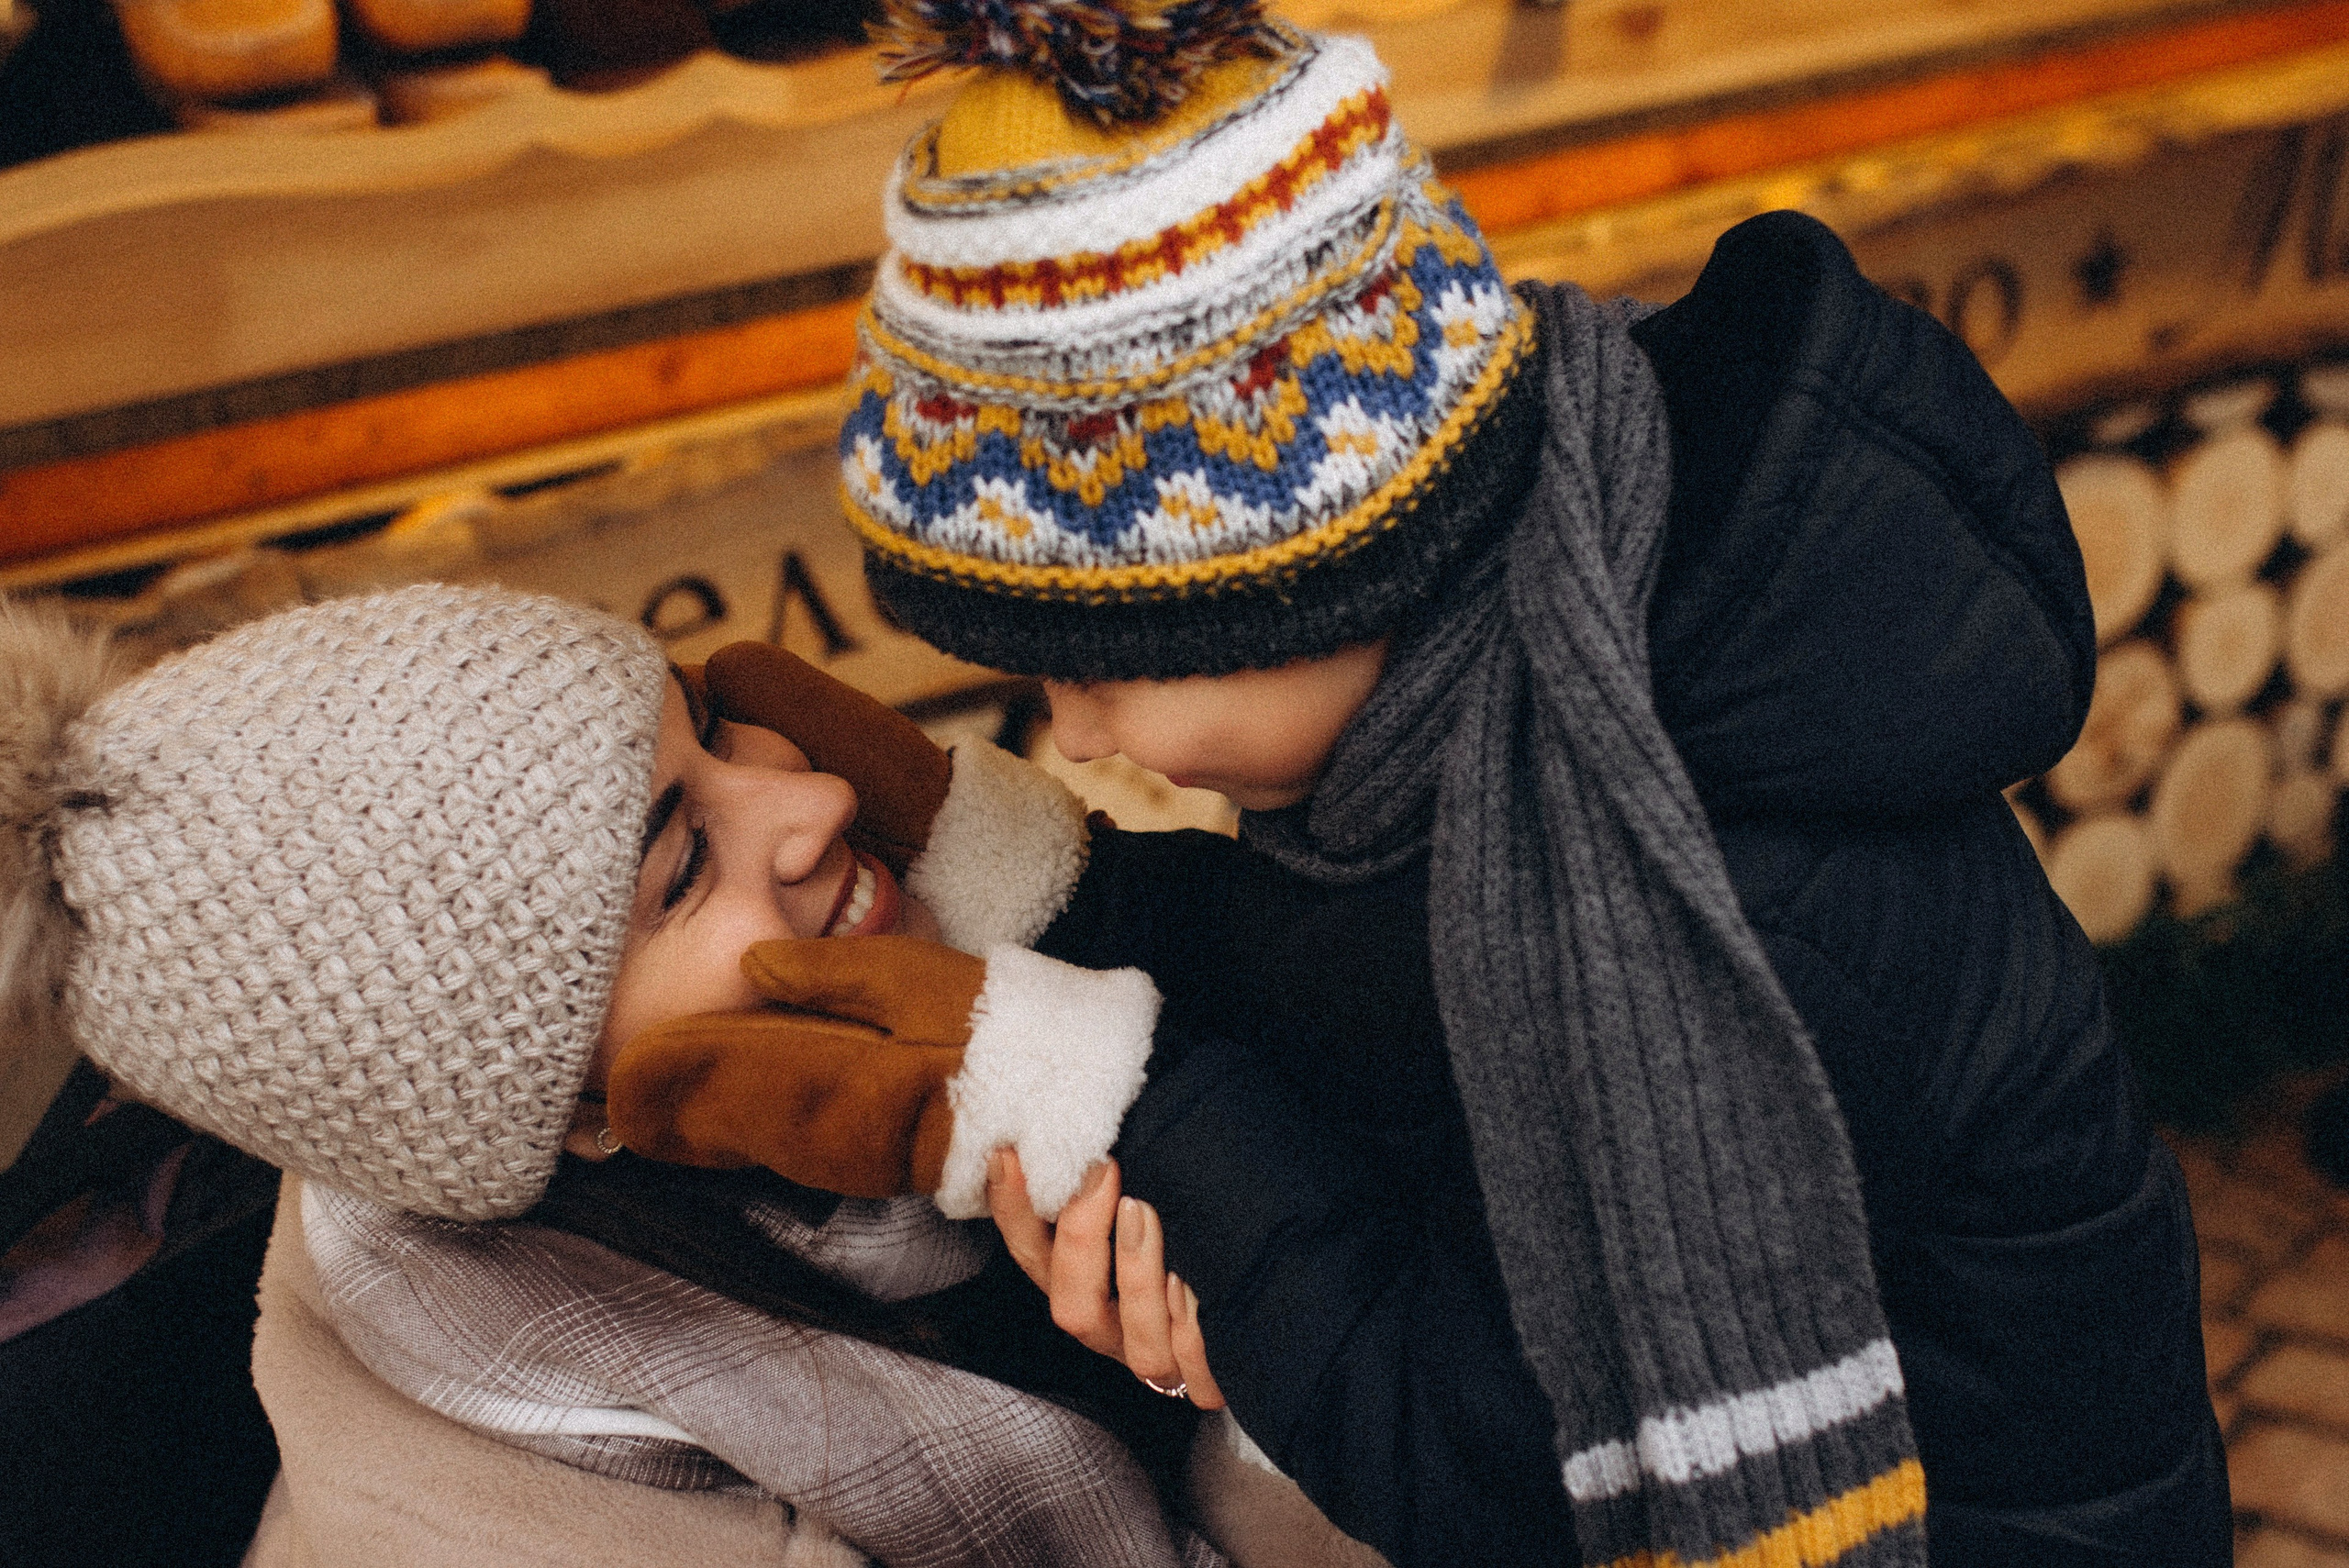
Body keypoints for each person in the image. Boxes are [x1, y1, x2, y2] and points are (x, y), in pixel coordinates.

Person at [632, 1, 2231, 1562]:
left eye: (1099, 664)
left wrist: (1142, 1097)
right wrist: (1062, 895)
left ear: (1296, 582)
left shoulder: (1723, 897)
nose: (1076, 734)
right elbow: (1363, 977)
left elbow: (1514, 1478)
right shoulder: (1490, 701)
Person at [0, 582, 1415, 1568]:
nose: (814, 799)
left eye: (721, 725)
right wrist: (1280, 1385)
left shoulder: (918, 1056)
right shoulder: (600, 1496)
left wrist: (1049, 894)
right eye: (681, 868)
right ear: (571, 1117)